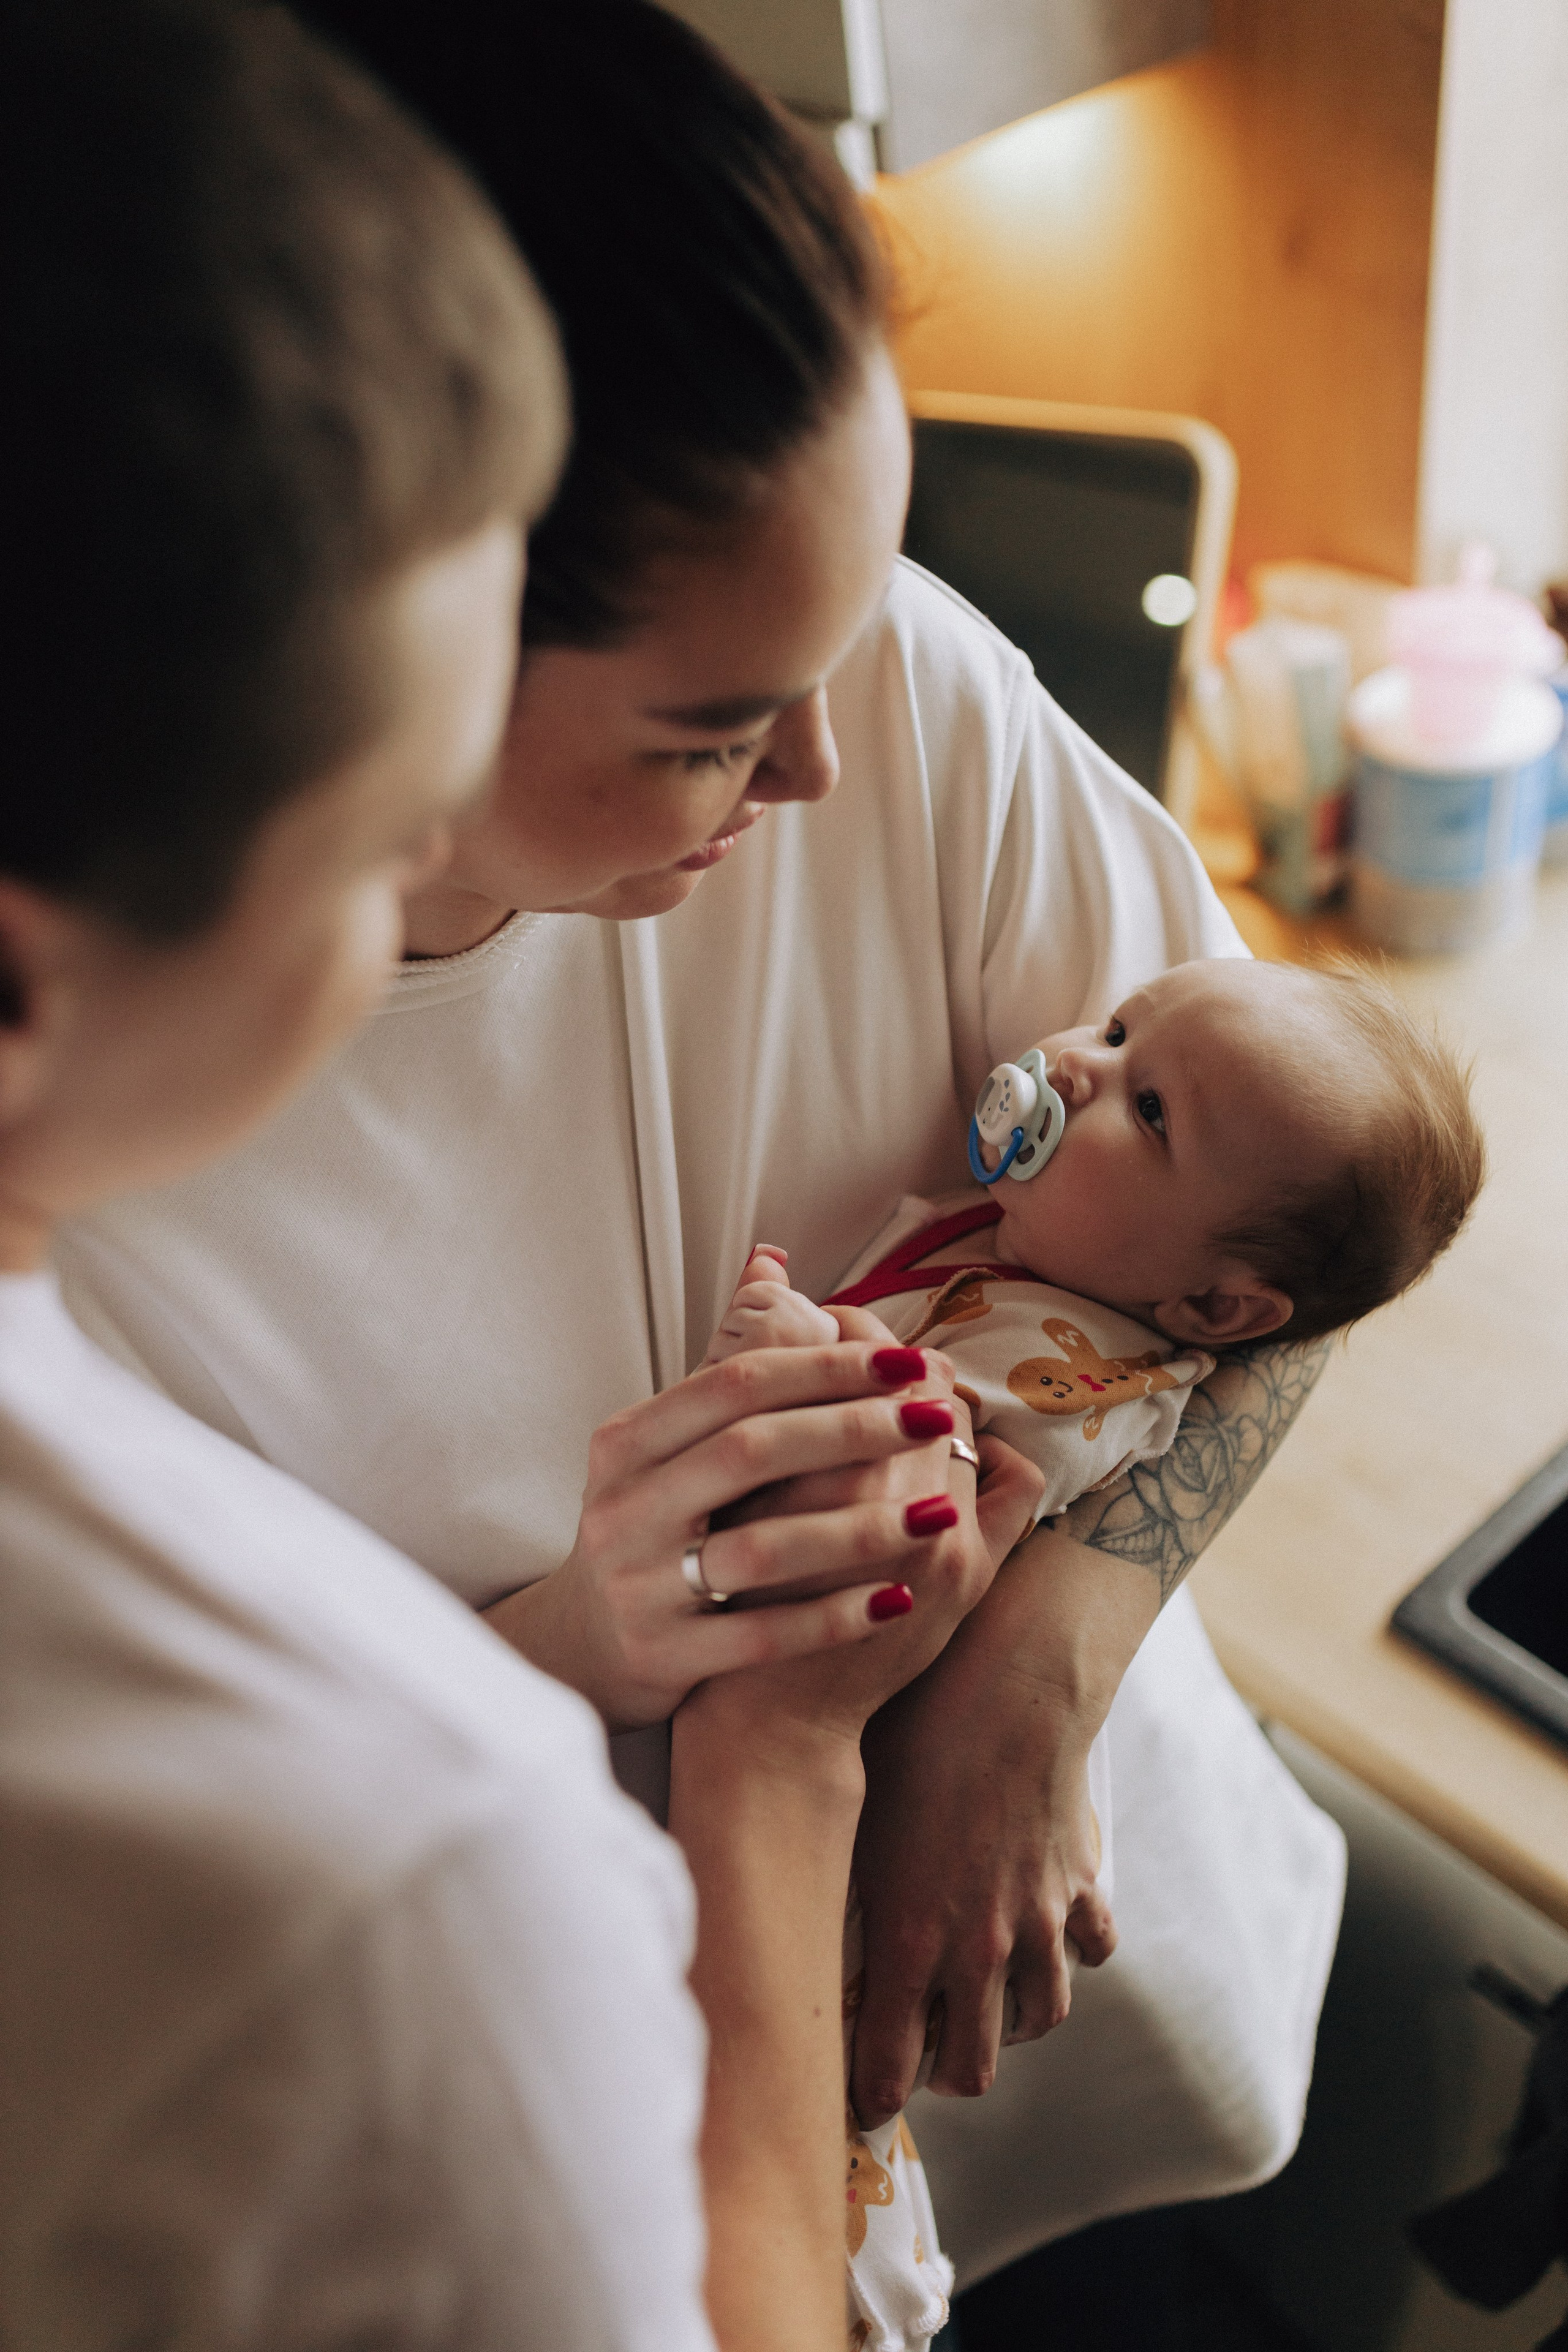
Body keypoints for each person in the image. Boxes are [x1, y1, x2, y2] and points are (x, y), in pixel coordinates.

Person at [56, 0, 1351, 2298]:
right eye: (710, 730)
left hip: (1088, 2012)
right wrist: (584, 1646)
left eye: (847, 635)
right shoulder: (123, 1114)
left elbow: (1310, 1226)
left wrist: (1039, 1674)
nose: (826, 782)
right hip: (647, 2171)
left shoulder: (894, 689)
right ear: (407, 615)